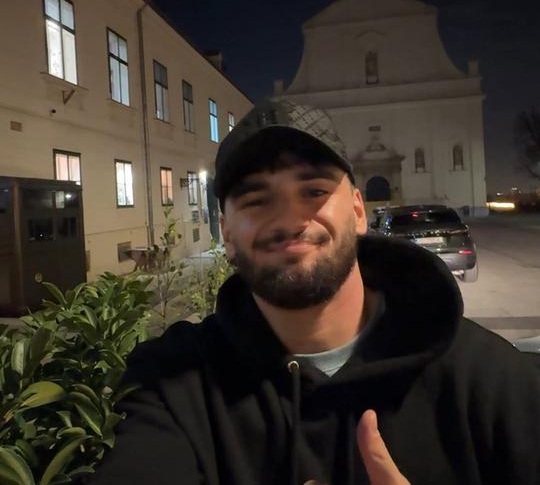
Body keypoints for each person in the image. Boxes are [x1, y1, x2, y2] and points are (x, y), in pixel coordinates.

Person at [87, 100, 540, 485]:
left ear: (358, 211)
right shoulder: (172, 382)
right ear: (225, 233)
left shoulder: (488, 379)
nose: (289, 218)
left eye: (314, 190)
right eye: (256, 199)